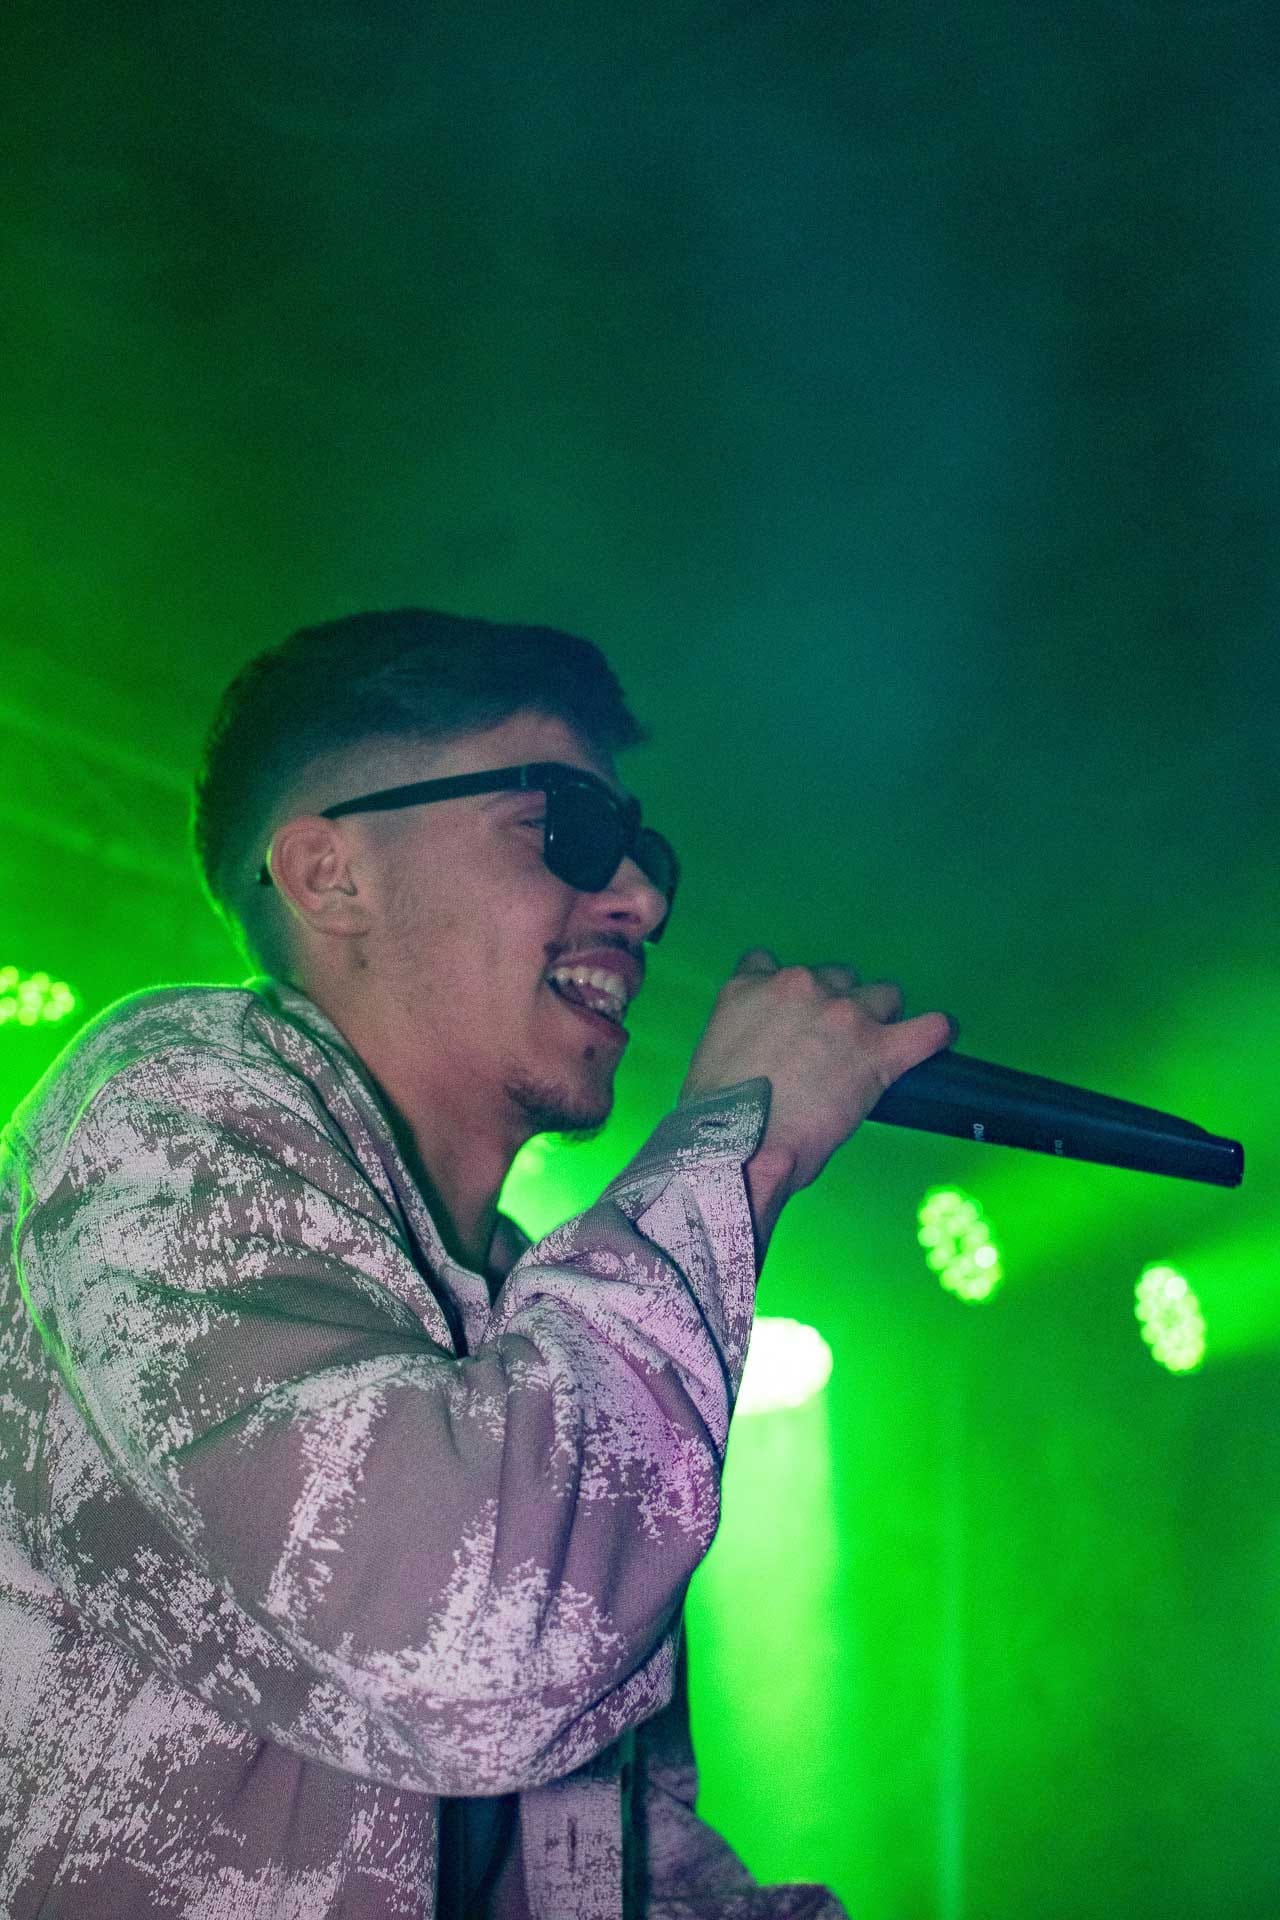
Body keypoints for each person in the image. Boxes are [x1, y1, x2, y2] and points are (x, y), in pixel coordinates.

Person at [0, 609, 954, 1918]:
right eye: (568, 831)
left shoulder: (532, 1321)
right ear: (331, 875)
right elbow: (475, 1636)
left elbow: (616, 1870)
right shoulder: (170, 1108)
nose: (642, 901)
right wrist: (742, 1146)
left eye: (647, 857)